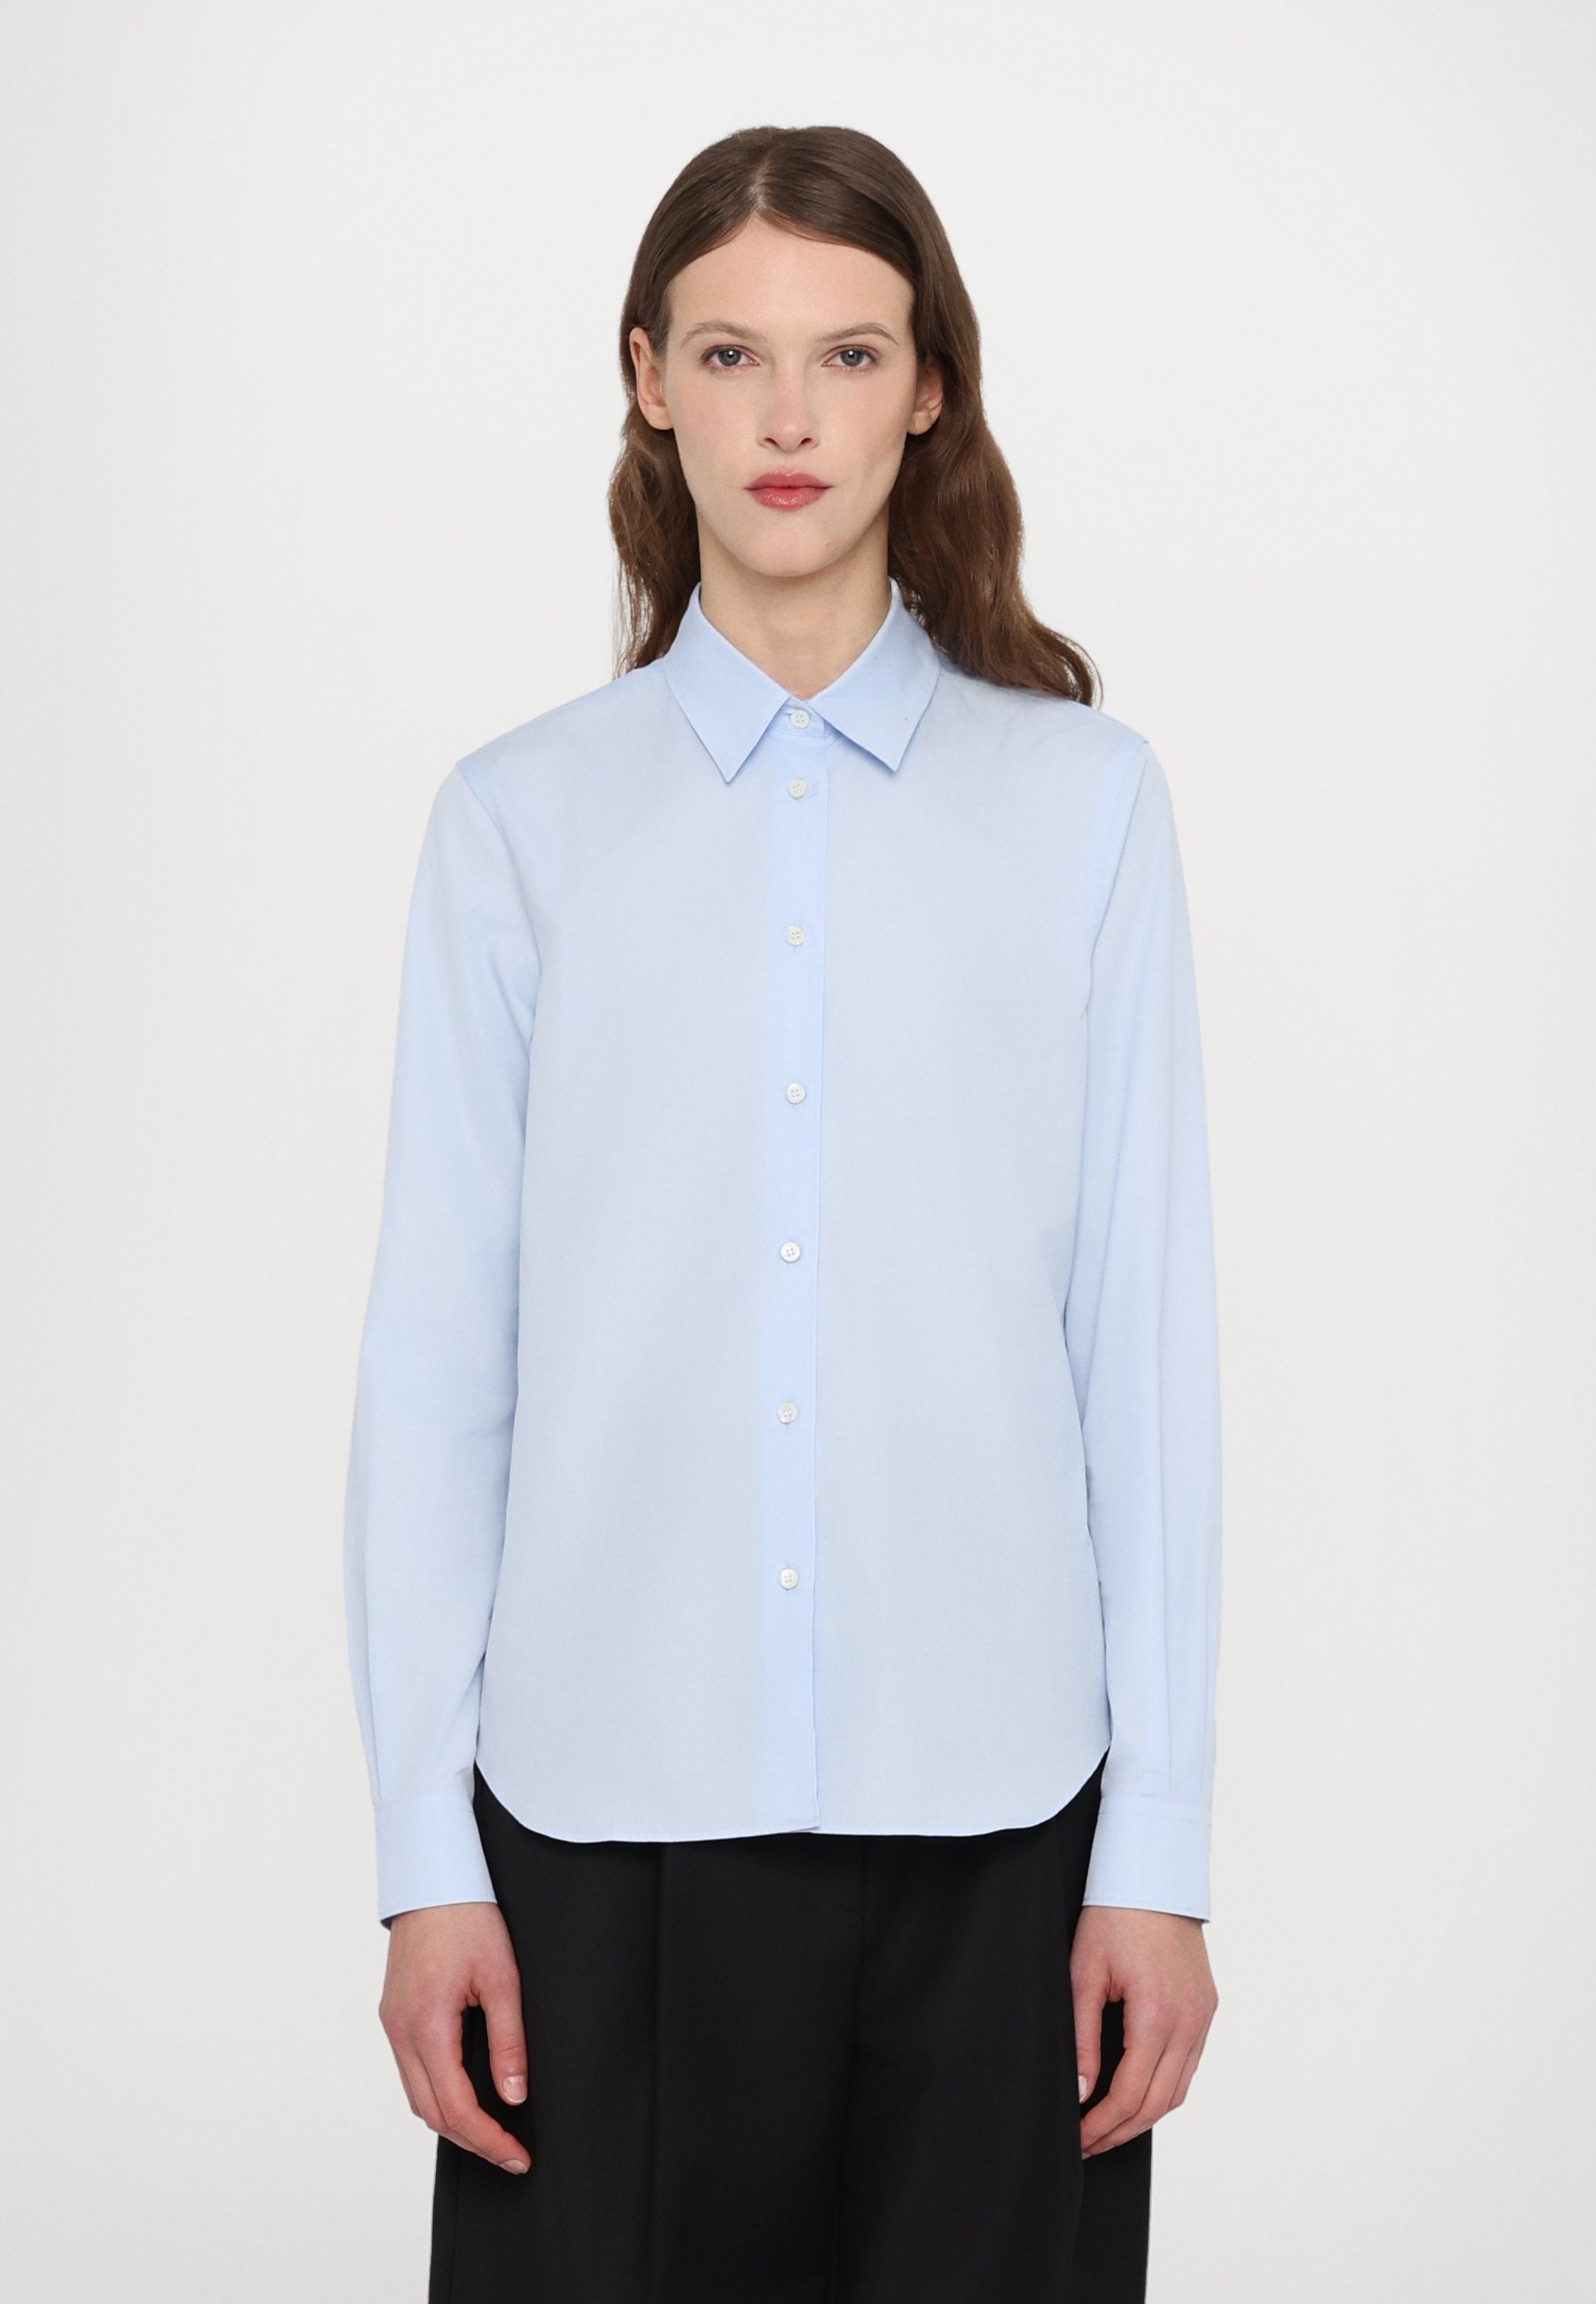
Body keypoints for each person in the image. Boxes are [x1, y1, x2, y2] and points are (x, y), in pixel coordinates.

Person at [344, 122, 1223, 2304]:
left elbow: (1143, 1352)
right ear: (649, 380)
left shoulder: (1084, 811)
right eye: (731, 354)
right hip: (600, 1833)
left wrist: (1160, 1848)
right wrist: (424, 1857)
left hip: (1002, 1830)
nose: (788, 414)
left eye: (848, 353)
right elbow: (439, 1368)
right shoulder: (520, 826)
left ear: (930, 390)